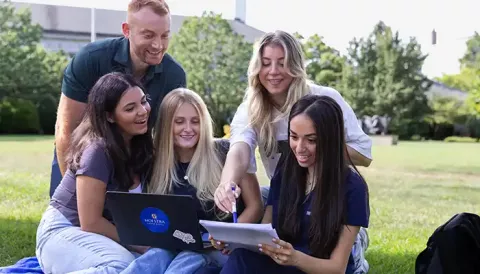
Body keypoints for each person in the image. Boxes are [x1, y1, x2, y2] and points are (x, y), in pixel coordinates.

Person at [214, 30, 371, 272]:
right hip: (286, 190)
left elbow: (364, 153)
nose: (273, 71)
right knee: (246, 248)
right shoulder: (252, 109)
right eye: (266, 63)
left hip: (327, 196)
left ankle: (352, 244)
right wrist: (227, 184)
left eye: (282, 63)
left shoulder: (324, 99)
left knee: (322, 234)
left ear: (296, 66)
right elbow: (239, 149)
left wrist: (320, 149)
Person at [50, 0, 186, 198]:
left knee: (125, 226)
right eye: (148, 35)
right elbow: (67, 128)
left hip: (134, 162)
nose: (158, 45)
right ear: (127, 30)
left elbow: (167, 139)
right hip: (80, 159)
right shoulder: (90, 59)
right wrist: (74, 195)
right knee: (72, 220)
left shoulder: (174, 75)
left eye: (165, 35)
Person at [36, 72, 154, 273]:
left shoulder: (138, 146)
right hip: (63, 231)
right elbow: (90, 222)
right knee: (121, 266)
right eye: (130, 108)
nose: (142, 111)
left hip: (98, 235)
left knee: (148, 265)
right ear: (109, 116)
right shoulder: (97, 151)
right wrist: (140, 243)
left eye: (143, 102)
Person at [136, 88, 263, 273]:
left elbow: (256, 206)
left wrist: (231, 236)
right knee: (151, 259)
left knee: (184, 263)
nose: (188, 129)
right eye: (179, 122)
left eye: (195, 121)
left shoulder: (226, 152)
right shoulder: (155, 164)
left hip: (222, 248)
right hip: (178, 244)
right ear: (166, 125)